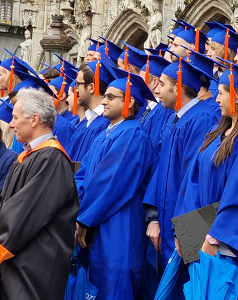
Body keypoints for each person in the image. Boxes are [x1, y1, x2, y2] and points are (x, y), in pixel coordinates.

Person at [174, 64, 238, 300]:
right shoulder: (214, 133)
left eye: (221, 92)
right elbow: (192, 184)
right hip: (204, 237)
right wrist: (185, 233)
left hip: (234, 241)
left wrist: (216, 236)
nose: (216, 98)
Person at [74, 73, 154, 299]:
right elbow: (83, 175)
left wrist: (84, 218)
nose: (104, 101)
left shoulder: (133, 134)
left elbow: (110, 183)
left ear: (128, 102)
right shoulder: (104, 134)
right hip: (96, 220)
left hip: (119, 223)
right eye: (105, 96)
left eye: (111, 97)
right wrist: (77, 210)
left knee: (114, 283)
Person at [0, 87, 78, 299]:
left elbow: (21, 215)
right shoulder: (27, 158)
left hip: (33, 271)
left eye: (15, 118)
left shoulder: (50, 159)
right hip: (17, 266)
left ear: (34, 120)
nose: (12, 124)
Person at [143, 58, 219, 271]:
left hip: (184, 221)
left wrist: (185, 231)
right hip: (166, 219)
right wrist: (153, 216)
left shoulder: (202, 118)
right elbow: (160, 167)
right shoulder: (173, 119)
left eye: (163, 84)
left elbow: (193, 177)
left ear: (177, 88)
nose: (157, 89)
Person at [68, 55, 117, 162]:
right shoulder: (85, 122)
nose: (76, 90)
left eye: (78, 84)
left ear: (91, 87)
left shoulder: (106, 124)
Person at [138, 54, 174, 152]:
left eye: (141, 79)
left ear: (155, 82)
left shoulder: (162, 110)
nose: (137, 83)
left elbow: (153, 147)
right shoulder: (150, 109)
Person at [205, 23, 238, 97]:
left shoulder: (237, 79)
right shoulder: (214, 77)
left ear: (226, 51)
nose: (208, 54)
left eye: (213, 49)